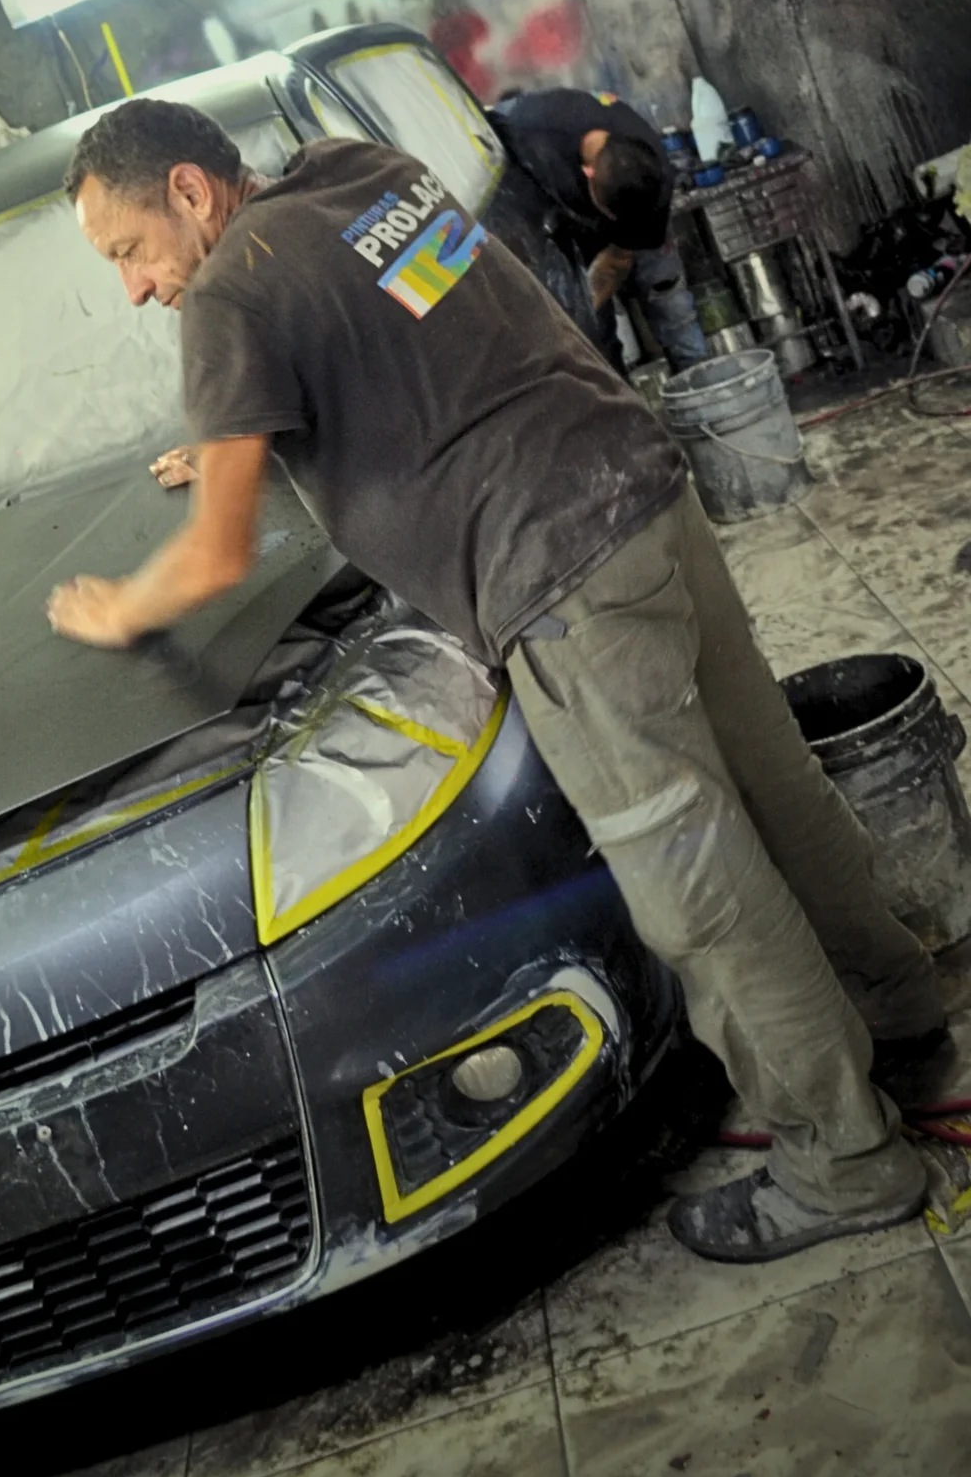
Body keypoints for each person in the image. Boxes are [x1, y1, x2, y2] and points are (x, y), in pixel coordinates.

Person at [46, 98, 946, 1265]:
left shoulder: (228, 296)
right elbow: (416, 332)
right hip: (640, 492)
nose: (134, 287)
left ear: (188, 188)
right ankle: (901, 1012)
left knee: (697, 889)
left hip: (559, 575)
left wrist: (118, 607)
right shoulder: (355, 170)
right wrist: (235, 435)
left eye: (128, 250)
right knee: (776, 784)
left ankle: (847, 1159)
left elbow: (217, 556)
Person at [488, 86, 707, 372]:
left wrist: (611, 267)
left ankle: (700, 378)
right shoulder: (530, 125)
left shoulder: (653, 170)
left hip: (634, 227)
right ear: (587, 172)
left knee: (671, 306)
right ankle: (615, 390)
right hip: (572, 228)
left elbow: (620, 258)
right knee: (595, 338)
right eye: (609, 213)